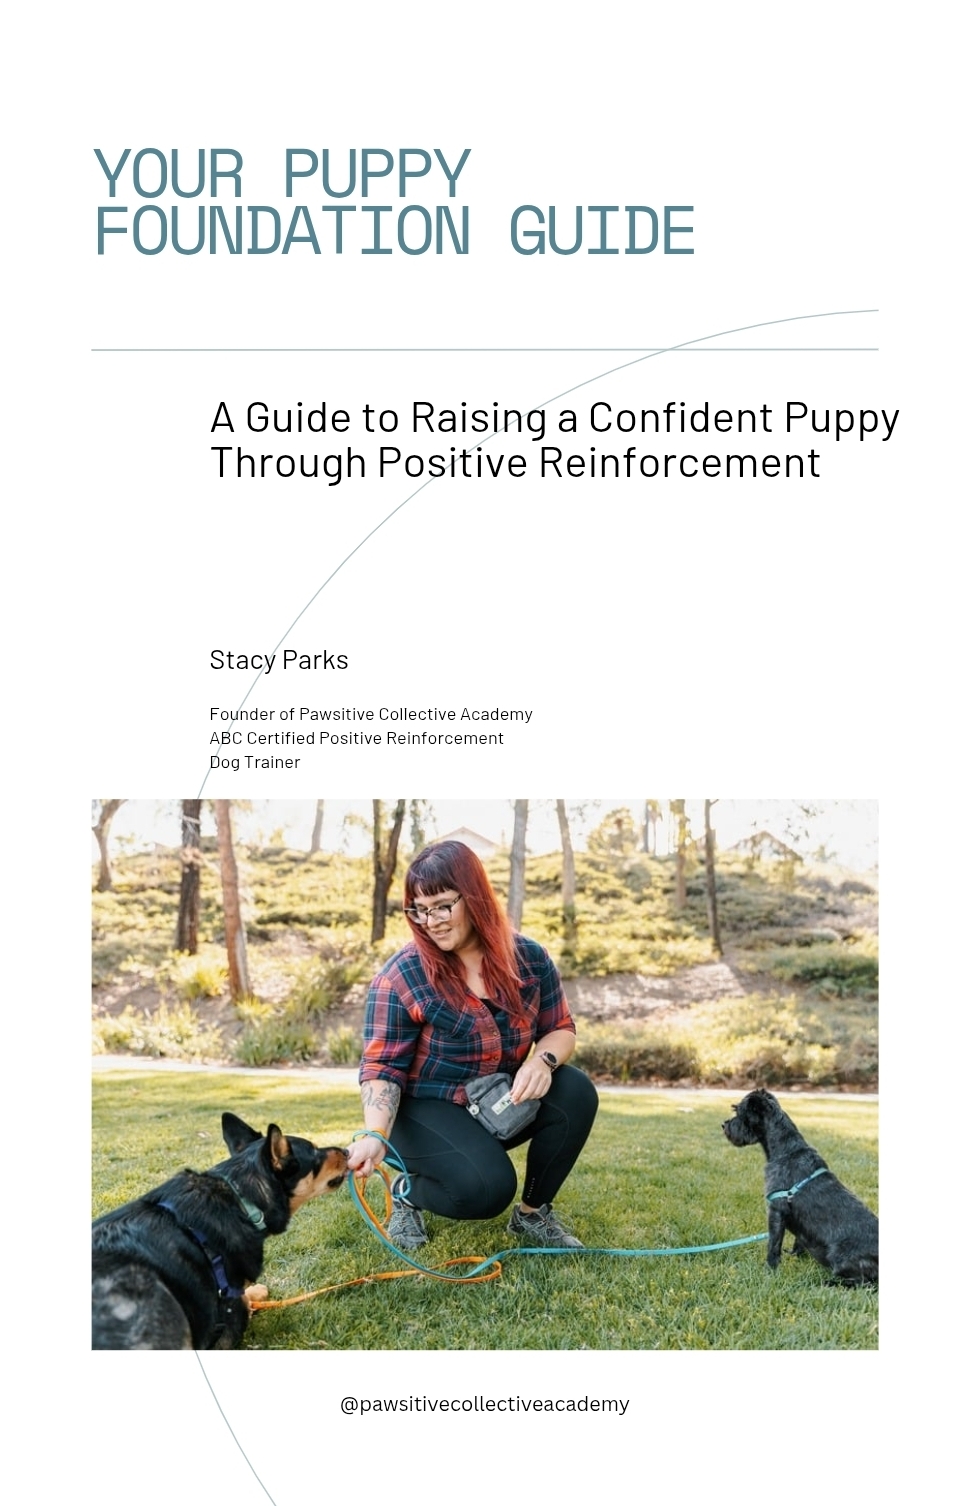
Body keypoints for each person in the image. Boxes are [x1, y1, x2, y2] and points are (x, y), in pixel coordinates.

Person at [346, 840, 598, 1250]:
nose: (431, 922)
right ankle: (407, 1192)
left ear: (475, 896)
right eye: (419, 909)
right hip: (423, 1111)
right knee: (487, 1189)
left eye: (442, 906)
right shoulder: (401, 976)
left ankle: (532, 1215)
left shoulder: (530, 958)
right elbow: (382, 1069)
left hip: (494, 1101)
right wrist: (375, 1134)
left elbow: (561, 1028)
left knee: (575, 1090)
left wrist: (542, 1061)